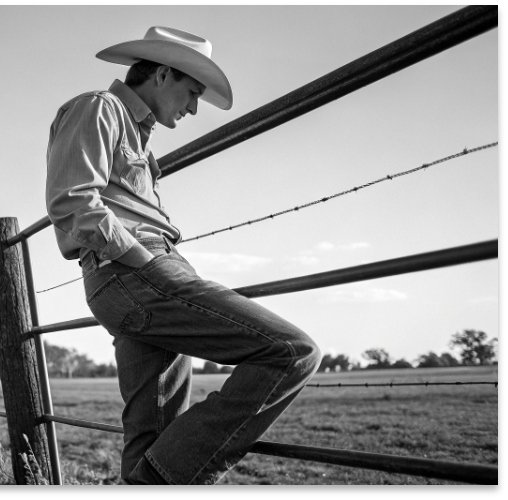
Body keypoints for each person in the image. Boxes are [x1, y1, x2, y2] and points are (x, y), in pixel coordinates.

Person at [45, 26, 321, 485]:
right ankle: (157, 483)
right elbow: (73, 200)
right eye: (192, 92)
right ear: (163, 74)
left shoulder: (135, 133)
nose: (193, 107)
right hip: (136, 271)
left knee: (151, 428)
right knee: (292, 352)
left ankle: (149, 477)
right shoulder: (100, 107)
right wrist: (144, 260)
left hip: (129, 275)